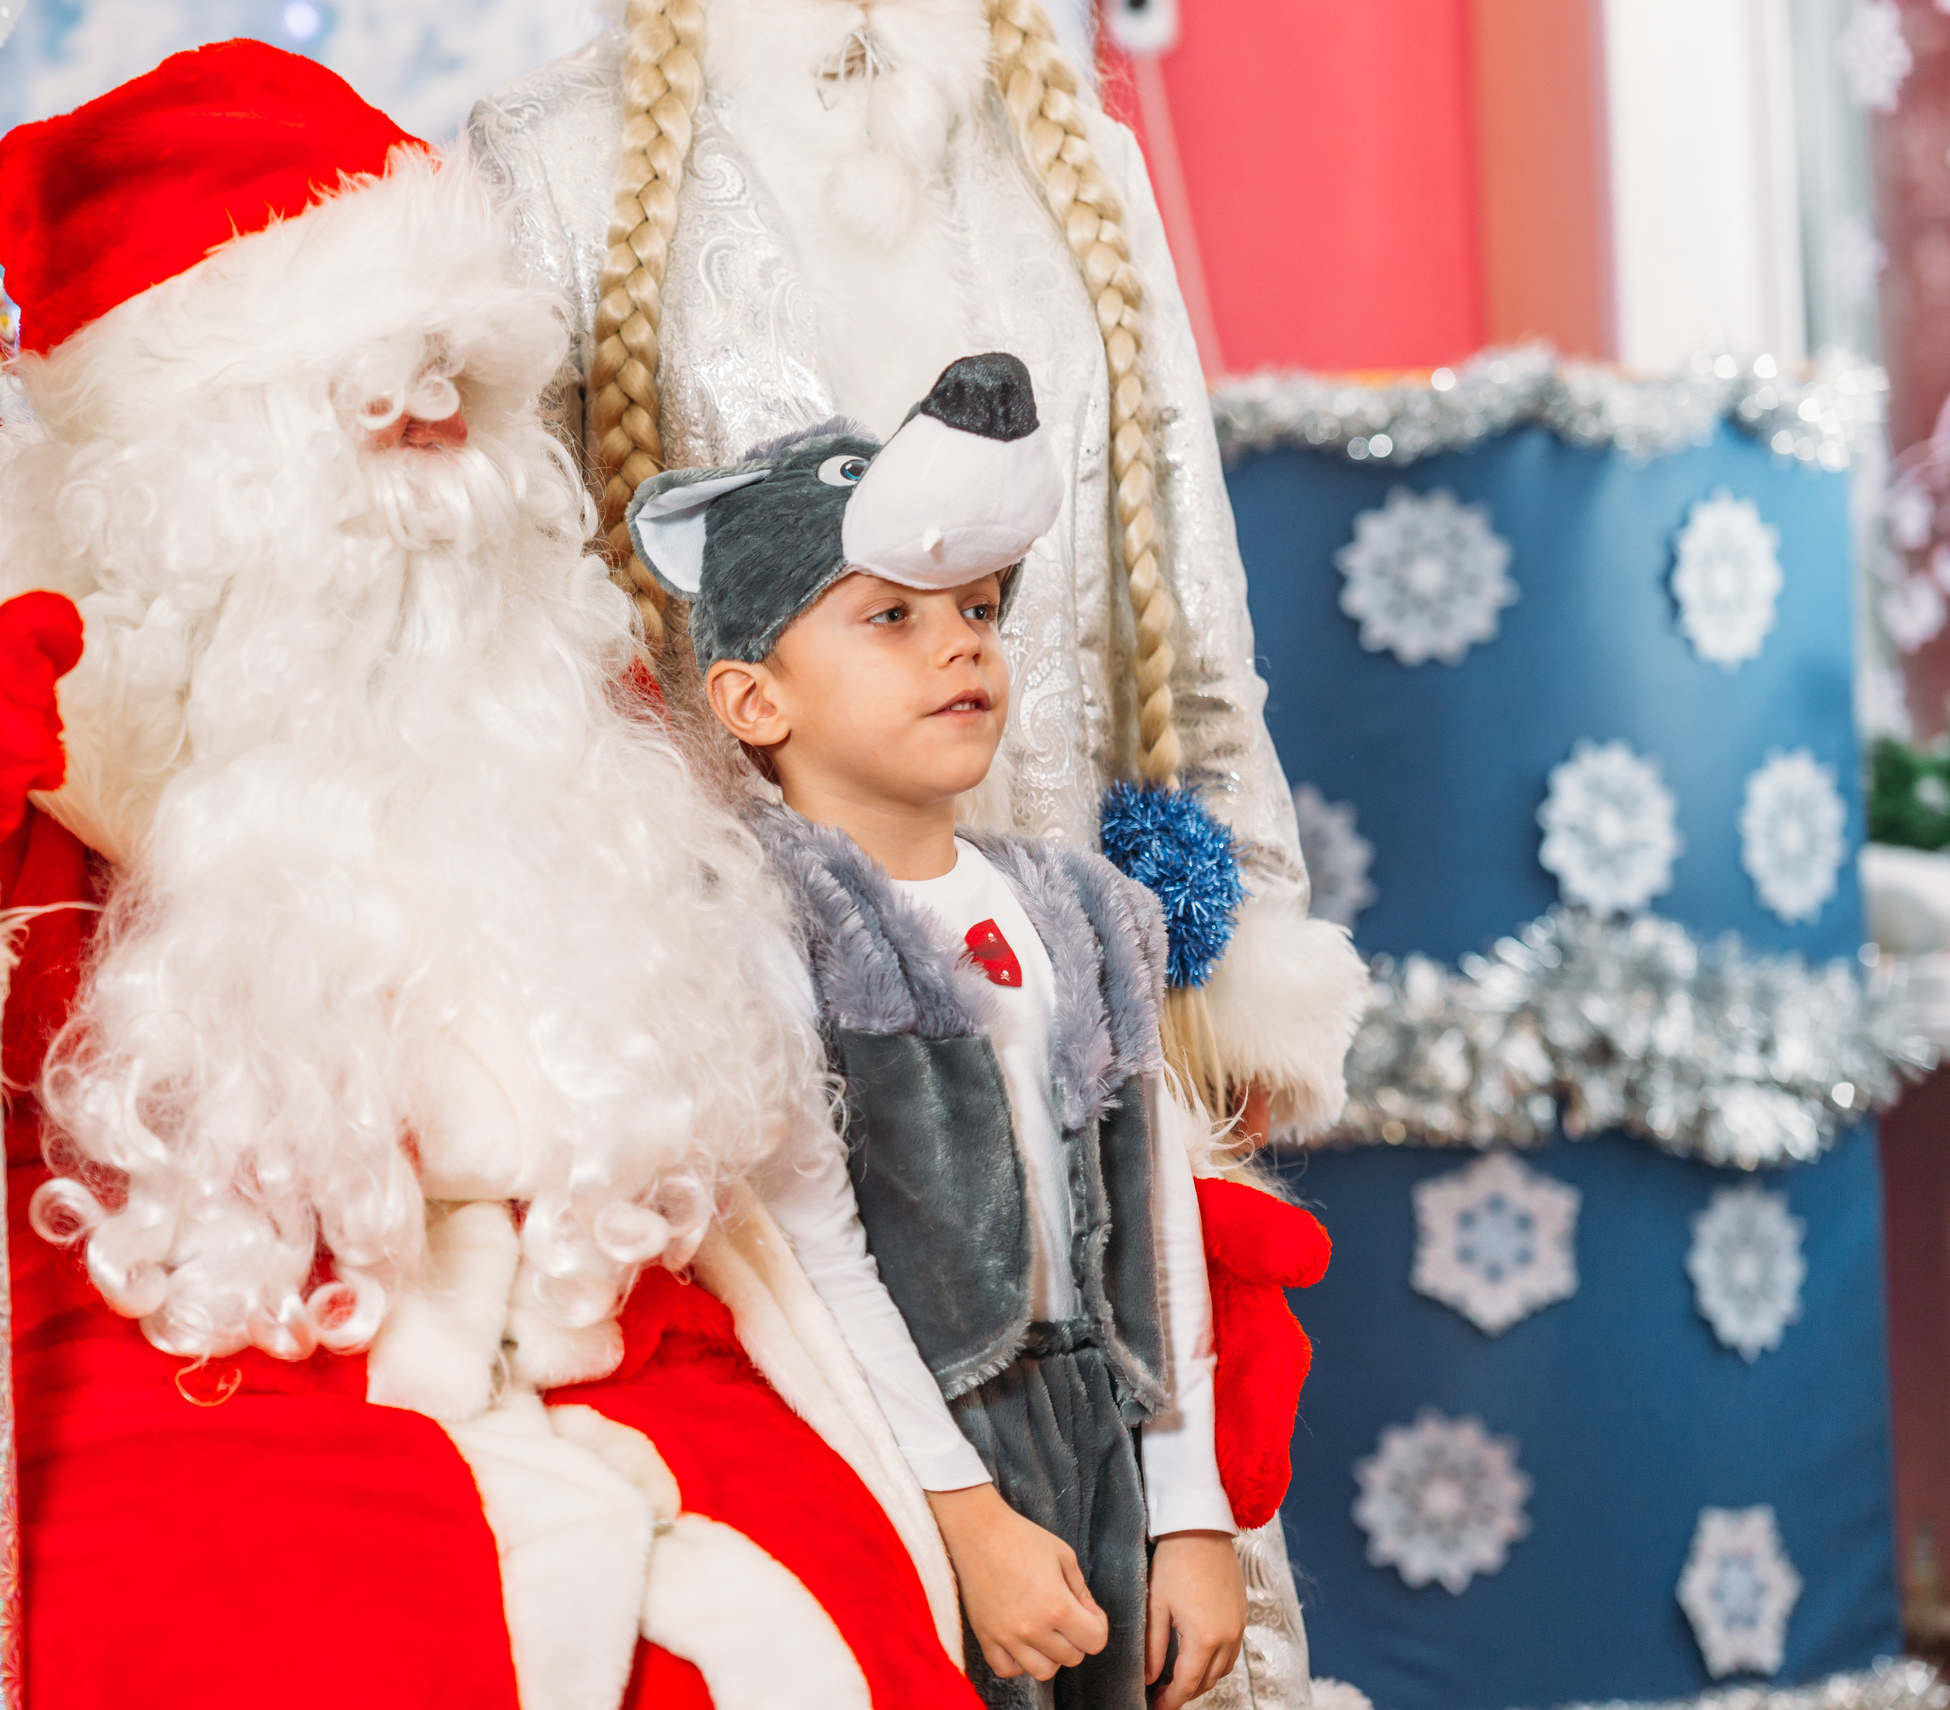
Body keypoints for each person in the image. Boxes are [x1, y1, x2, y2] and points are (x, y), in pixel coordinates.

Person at [0, 41, 982, 1708]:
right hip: (132, 1358)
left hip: (574, 1337)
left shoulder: (545, 698)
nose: (437, 427)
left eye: (462, 375)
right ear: (176, 451)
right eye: (370, 388)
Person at [469, 10, 1368, 1699]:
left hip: (1082, 1041)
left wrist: (1245, 940)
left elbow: (1191, 574)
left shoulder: (1071, 152)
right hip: (759, 1085)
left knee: (1168, 1625)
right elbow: (514, 647)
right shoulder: (551, 161)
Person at [623, 352, 1286, 1710]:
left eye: (978, 607)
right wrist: (967, 1518)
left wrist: (1191, 1509)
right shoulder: (769, 917)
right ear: (756, 699)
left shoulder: (1082, 907)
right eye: (889, 617)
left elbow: (1151, 1225)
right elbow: (814, 1249)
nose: (961, 642)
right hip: (897, 1444)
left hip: (1092, 1425)